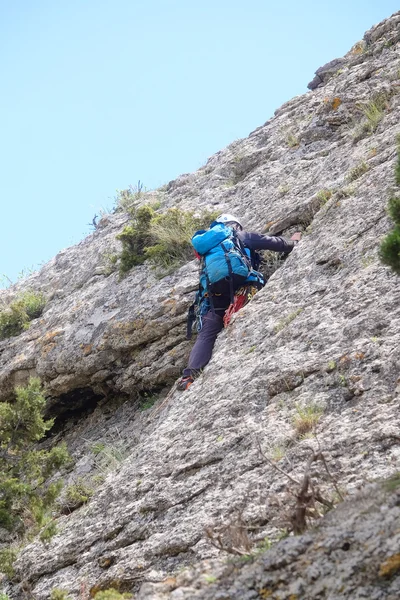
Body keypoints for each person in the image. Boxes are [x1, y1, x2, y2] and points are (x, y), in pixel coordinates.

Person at [177, 213, 301, 390]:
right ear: (234, 225)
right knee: (252, 289)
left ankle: (188, 376)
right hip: (243, 284)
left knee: (208, 331)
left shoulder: (208, 247)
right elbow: (271, 242)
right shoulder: (240, 236)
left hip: (214, 295)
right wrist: (293, 242)